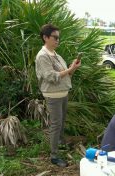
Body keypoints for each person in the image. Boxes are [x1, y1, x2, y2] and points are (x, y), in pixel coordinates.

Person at [35, 24, 81, 167]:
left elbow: (66, 75)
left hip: (63, 93)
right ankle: (54, 156)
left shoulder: (56, 55)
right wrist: (69, 69)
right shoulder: (43, 56)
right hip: (53, 95)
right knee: (56, 124)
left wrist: (73, 67)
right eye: (55, 37)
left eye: (58, 38)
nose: (57, 40)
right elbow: (50, 76)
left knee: (61, 122)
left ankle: (60, 144)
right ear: (45, 38)